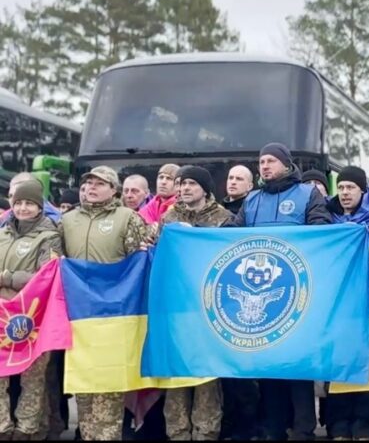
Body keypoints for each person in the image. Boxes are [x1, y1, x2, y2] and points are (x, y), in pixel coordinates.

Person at [230, 143, 330, 441]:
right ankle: (272, 427)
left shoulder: (306, 194)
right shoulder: (252, 200)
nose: (265, 165)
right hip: (260, 291)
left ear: (286, 164)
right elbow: (233, 237)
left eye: (271, 160)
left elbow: (322, 234)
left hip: (295, 291)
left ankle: (303, 429)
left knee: (297, 362)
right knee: (267, 361)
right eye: (261, 161)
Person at [59, 166, 149, 440]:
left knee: (109, 388)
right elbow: (55, 259)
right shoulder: (68, 220)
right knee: (84, 389)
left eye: (99, 184)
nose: (91, 188)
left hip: (114, 317)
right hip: (79, 317)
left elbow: (139, 261)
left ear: (114, 189)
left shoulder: (128, 218)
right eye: (88, 183)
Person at [159, 167, 231, 440]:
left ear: (205, 188)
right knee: (176, 374)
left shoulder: (224, 219)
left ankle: (206, 432)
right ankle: (177, 432)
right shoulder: (169, 217)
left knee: (206, 376)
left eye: (190, 183)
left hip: (209, 310)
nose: (184, 188)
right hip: (177, 307)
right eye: (181, 184)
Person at [325, 166, 369, 441]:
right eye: (340, 188)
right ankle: (338, 425)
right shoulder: (328, 217)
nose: (344, 193)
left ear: (363, 190)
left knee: (366, 363)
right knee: (336, 362)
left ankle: (363, 424)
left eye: (350, 188)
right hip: (336, 302)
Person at [0, 180, 62, 440]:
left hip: (32, 317)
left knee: (32, 377)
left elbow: (46, 275)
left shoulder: (51, 237)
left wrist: (6, 277)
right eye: (19, 203)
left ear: (40, 207)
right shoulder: (2, 233)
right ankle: (2, 427)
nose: (23, 208)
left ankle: (27, 428)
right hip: (2, 316)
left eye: (30, 203)